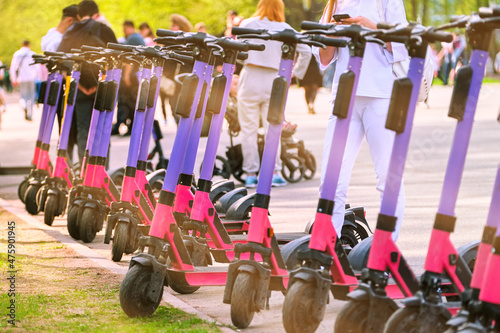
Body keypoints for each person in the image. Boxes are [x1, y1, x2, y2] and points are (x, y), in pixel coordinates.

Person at [314, 0, 409, 241]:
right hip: (344, 95)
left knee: (387, 178)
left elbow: (403, 45)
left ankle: (386, 248)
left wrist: (368, 27)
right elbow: (325, 58)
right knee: (331, 179)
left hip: (380, 95)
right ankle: (327, 249)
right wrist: (328, 33)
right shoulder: (335, 2)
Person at [237, 0, 311, 188]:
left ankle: (250, 173)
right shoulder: (285, 28)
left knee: (249, 130)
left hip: (250, 77)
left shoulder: (246, 24)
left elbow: (238, 52)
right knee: (274, 129)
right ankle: (275, 171)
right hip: (274, 80)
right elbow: (306, 51)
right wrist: (296, 73)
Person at [57, 0, 117, 164]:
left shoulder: (70, 32)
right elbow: (119, 58)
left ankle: (84, 171)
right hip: (103, 88)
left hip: (79, 88)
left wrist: (82, 87)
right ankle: (101, 171)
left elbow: (60, 63)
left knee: (84, 130)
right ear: (97, 13)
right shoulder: (104, 29)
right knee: (103, 131)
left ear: (78, 15)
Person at [159, 14, 193, 126]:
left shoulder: (179, 41)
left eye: (174, 25)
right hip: (177, 78)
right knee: (176, 107)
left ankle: (182, 131)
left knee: (178, 107)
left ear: (181, 27)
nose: (171, 27)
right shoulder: (186, 41)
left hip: (178, 78)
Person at [112, 20, 145, 136]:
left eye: (124, 29)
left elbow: (129, 59)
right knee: (131, 102)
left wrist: (126, 75)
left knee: (128, 102)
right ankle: (128, 126)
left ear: (129, 27)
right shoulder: (138, 37)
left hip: (131, 76)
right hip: (136, 75)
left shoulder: (133, 38)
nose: (124, 31)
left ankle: (128, 126)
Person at [10, 40, 41, 121]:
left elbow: (13, 67)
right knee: (31, 96)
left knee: (23, 95)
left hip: (21, 78)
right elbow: (37, 68)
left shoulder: (17, 54)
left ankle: (24, 106)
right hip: (31, 78)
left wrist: (14, 79)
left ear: (22, 44)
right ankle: (30, 114)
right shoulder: (32, 54)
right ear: (29, 45)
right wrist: (39, 78)